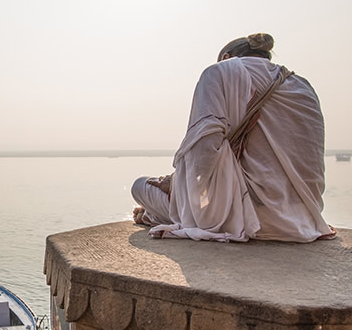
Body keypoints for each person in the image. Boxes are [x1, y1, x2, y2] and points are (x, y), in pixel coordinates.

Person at [131, 33, 334, 242]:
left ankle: (152, 214)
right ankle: (153, 214)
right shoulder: (302, 85)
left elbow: (202, 153)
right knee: (176, 199)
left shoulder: (220, 72)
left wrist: (175, 186)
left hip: (250, 218)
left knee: (140, 186)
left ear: (227, 57)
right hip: (304, 218)